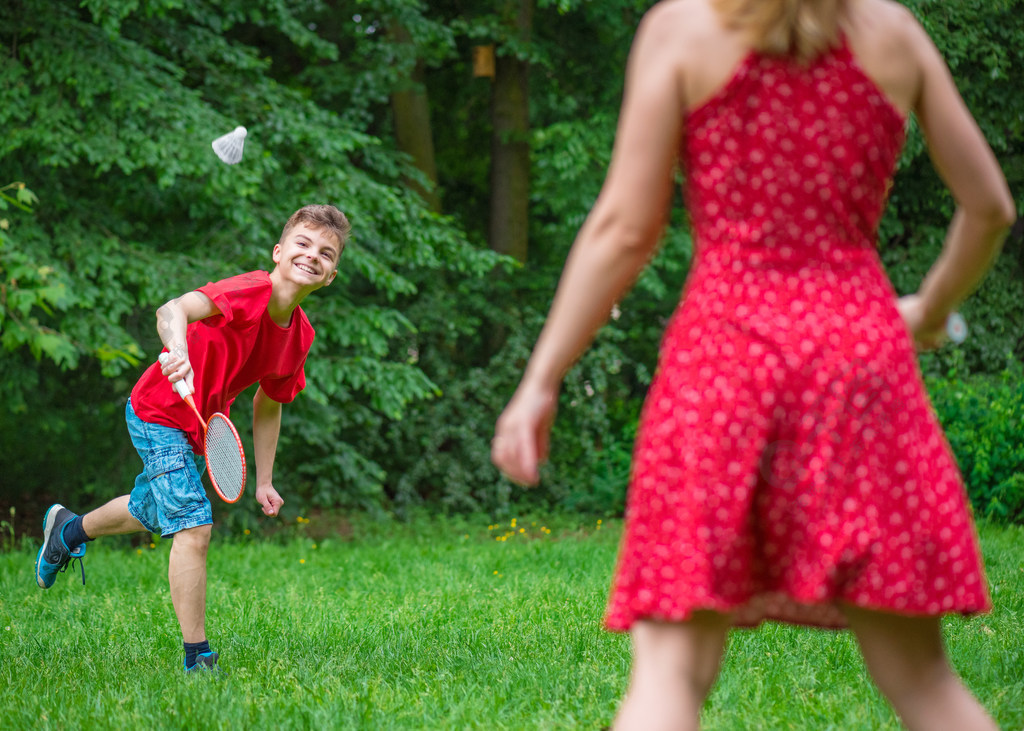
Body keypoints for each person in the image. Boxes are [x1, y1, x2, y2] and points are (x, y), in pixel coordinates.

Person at [491, 0, 1015, 728]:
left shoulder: (683, 29)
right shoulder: (891, 33)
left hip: (724, 357)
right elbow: (989, 207)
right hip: (859, 359)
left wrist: (541, 377)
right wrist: (929, 308)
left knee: (671, 673)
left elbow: (626, 228)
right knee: (925, 682)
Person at [34, 204, 351, 674]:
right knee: (194, 525)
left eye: (326, 253)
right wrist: (177, 348)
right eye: (303, 244)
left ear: (330, 276)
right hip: (158, 409)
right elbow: (173, 310)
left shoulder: (299, 336)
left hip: (199, 425)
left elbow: (270, 401)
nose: (312, 256)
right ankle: (197, 656)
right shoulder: (249, 291)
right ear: (280, 251)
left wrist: (265, 480)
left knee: (152, 509)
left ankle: (67, 530)